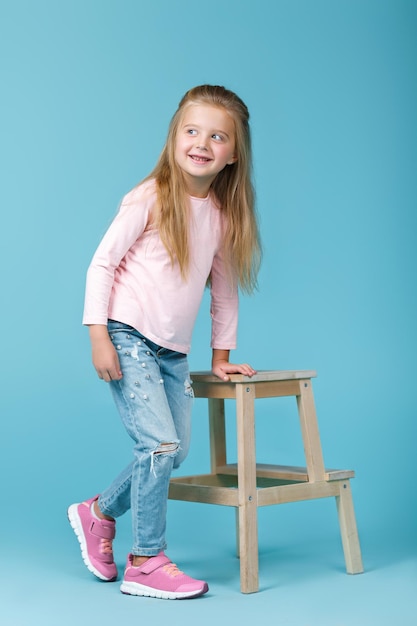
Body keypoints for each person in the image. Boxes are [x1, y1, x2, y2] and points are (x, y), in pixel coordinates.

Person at [68, 84, 261, 600]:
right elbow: (102, 263)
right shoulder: (151, 196)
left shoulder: (220, 214)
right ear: (175, 137)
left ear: (232, 153)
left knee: (173, 452)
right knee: (158, 445)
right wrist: (98, 335)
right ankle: (147, 560)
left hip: (174, 351)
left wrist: (221, 357)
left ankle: (99, 512)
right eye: (191, 131)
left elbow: (224, 289)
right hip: (127, 333)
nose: (202, 142)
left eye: (217, 136)